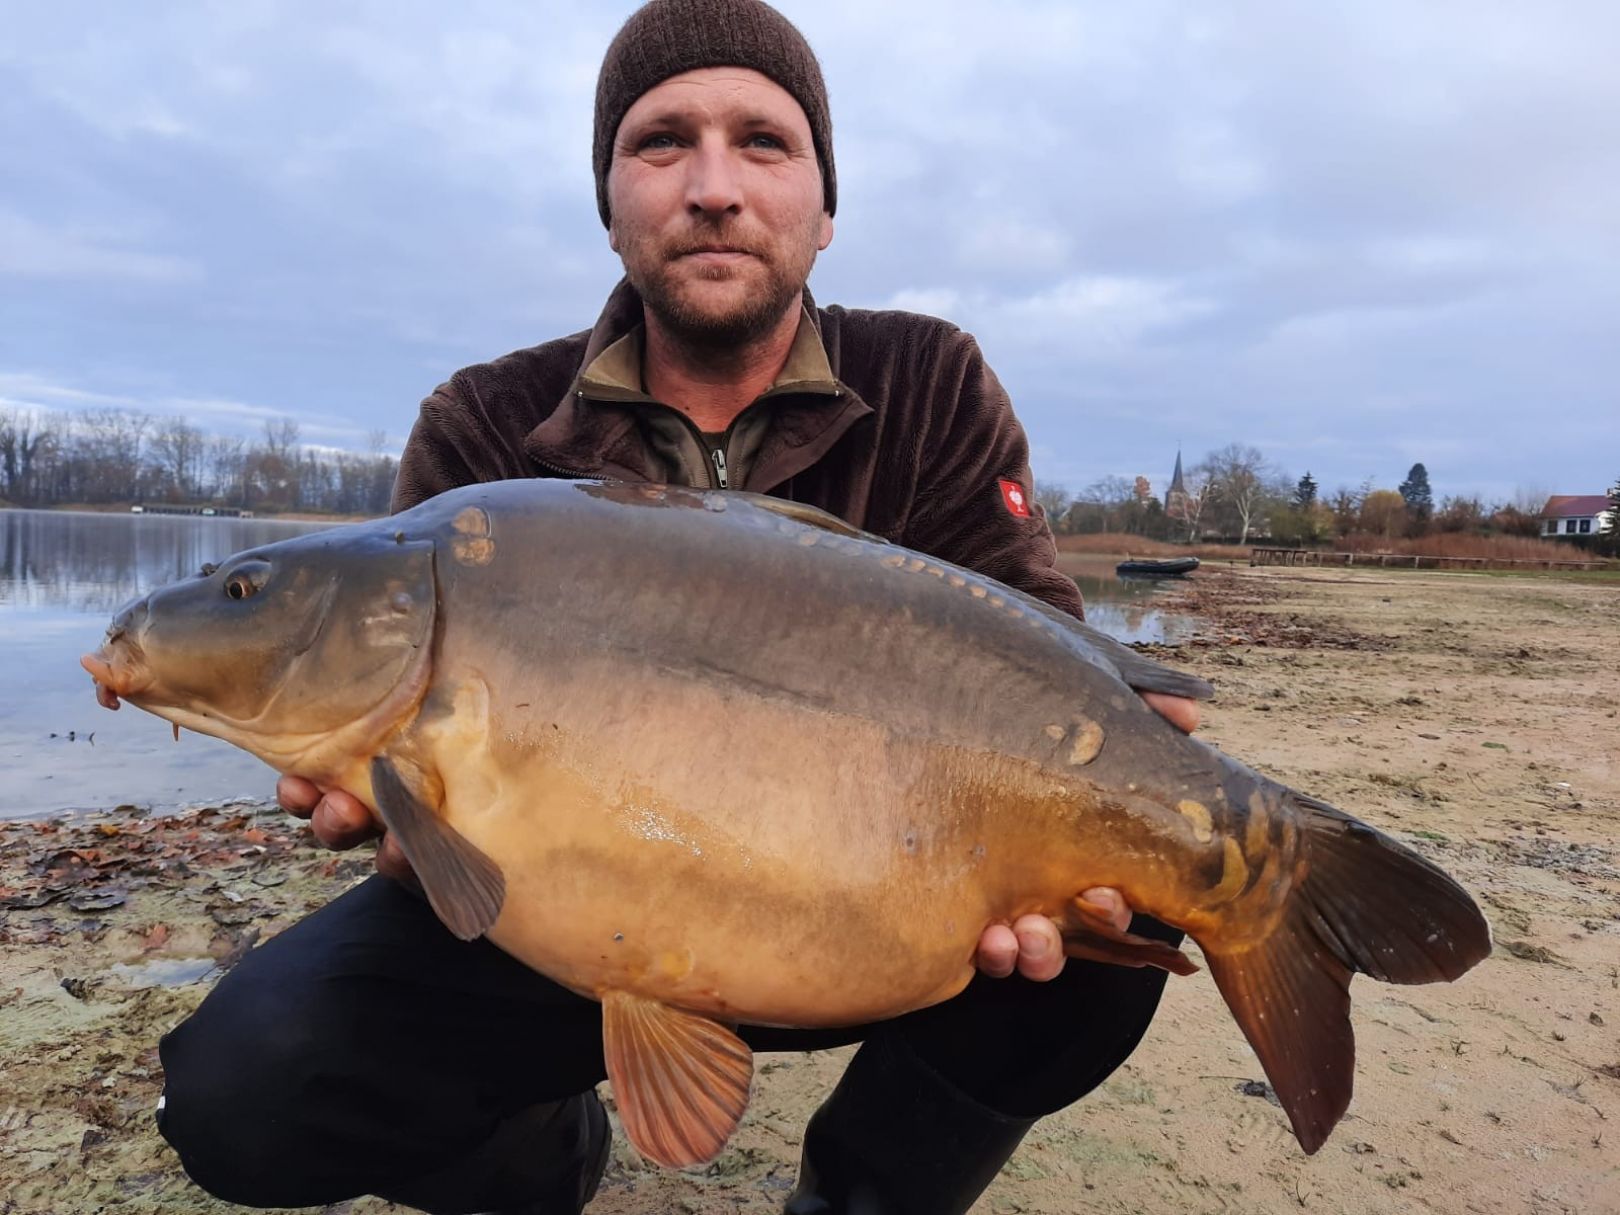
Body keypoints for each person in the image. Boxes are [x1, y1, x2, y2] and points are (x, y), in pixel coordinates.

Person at [155, 2, 1201, 1212]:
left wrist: (1108, 803)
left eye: (763, 141)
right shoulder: (488, 423)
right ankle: (539, 1160)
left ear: (823, 202)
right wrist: (396, 809)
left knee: (1113, 945)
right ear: (609, 200)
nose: (713, 186)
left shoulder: (929, 379)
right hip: (559, 926)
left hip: (882, 918)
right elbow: (424, 831)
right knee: (246, 1088)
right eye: (661, 143)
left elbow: (1034, 640)